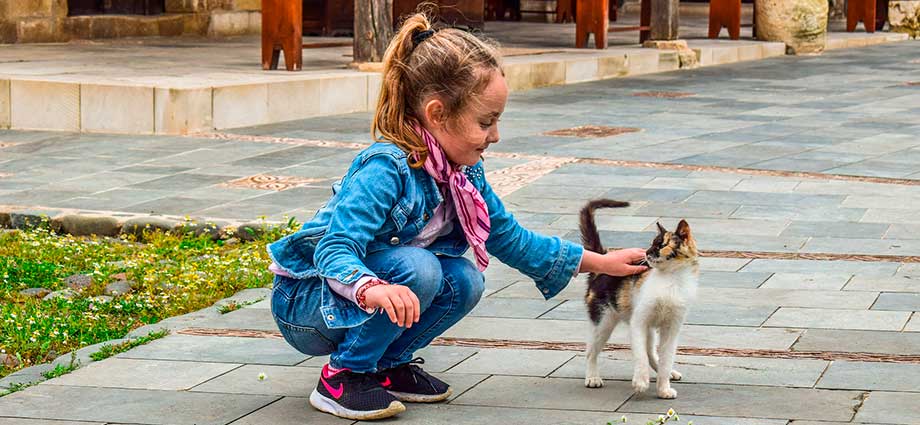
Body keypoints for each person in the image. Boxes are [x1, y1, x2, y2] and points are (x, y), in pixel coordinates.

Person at [266, 11, 648, 421]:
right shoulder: (386, 167)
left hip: (367, 296)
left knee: (464, 279)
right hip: (309, 303)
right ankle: (343, 376)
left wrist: (603, 263)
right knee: (421, 267)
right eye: (486, 122)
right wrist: (371, 289)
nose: (495, 135)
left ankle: (387, 365)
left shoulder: (463, 174)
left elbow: (512, 239)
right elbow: (335, 247)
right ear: (437, 114)